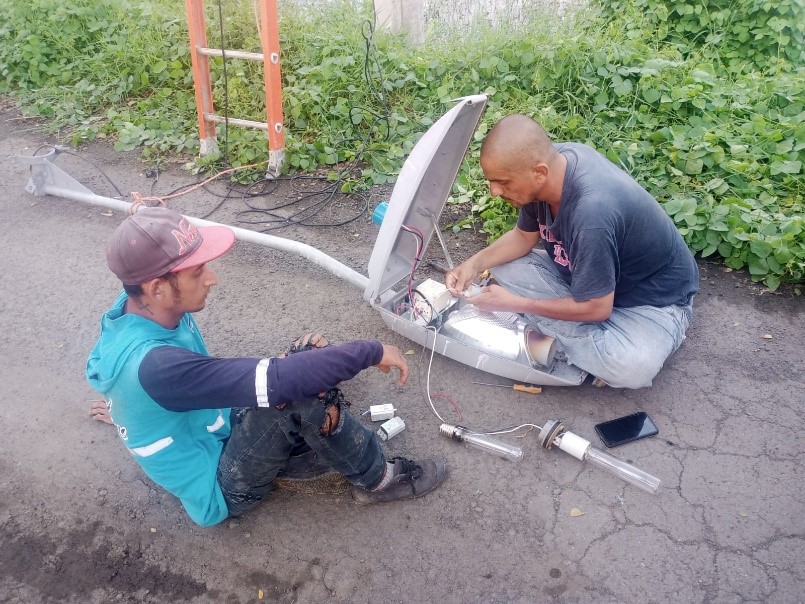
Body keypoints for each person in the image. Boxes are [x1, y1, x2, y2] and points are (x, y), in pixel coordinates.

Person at [86, 206, 447, 527]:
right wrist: (371, 351)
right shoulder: (157, 369)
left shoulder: (136, 308)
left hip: (216, 425)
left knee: (309, 354)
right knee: (299, 392)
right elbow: (277, 381)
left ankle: (297, 448)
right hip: (221, 484)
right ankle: (378, 480)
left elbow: (142, 374)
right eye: (197, 273)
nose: (211, 278)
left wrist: (129, 411)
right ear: (157, 289)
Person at [445, 114, 699, 389]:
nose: (495, 191)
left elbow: (598, 308)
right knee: (503, 265)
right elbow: (523, 237)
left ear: (539, 173)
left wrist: (515, 304)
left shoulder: (592, 213)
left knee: (631, 367)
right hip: (587, 276)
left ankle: (569, 335)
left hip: (651, 303)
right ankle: (579, 336)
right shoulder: (550, 165)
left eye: (503, 182)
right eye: (492, 181)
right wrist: (472, 265)